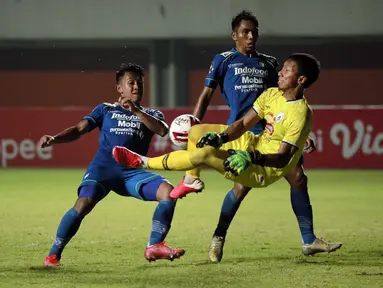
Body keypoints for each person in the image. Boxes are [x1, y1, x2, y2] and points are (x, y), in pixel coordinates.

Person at [112, 53, 342, 261]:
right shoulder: (271, 93)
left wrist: (249, 157)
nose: (280, 72)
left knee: (205, 155)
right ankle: (191, 180)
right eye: (282, 68)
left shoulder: (300, 113)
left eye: (287, 70)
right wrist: (221, 138)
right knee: (196, 132)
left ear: (301, 80)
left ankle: (142, 162)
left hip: (262, 168)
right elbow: (243, 123)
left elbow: (281, 159)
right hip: (253, 141)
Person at [169, 10, 325, 263]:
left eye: (254, 31)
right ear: (234, 35)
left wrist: (298, 136)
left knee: (298, 177)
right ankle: (218, 235)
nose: (251, 36)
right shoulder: (224, 59)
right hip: (242, 129)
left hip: (273, 130)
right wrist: (193, 123)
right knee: (241, 188)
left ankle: (308, 239)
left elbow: (288, 101)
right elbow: (207, 93)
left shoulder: (270, 62)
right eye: (245, 32)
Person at [39, 63, 185, 267]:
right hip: (104, 168)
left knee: (168, 193)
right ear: (119, 88)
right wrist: (55, 139)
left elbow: (162, 130)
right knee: (83, 204)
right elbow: (79, 129)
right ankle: (53, 256)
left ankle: (154, 245)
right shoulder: (105, 109)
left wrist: (136, 111)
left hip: (132, 173)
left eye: (139, 83)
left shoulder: (152, 114)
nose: (136, 87)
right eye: (131, 83)